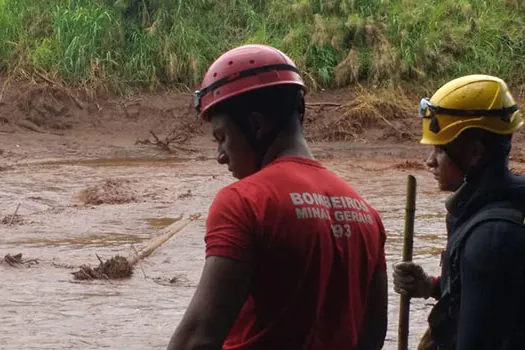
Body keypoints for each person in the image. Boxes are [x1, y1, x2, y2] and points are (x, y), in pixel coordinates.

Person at [167, 44, 387, 350]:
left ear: (256, 125)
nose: (220, 155)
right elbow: (372, 338)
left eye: (222, 137)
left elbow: (197, 340)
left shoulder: (244, 203)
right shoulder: (366, 214)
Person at [393, 74, 525, 350]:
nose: (429, 162)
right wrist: (432, 286)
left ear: (475, 153)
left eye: (440, 150)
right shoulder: (495, 211)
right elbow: (488, 292)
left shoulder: (490, 238)